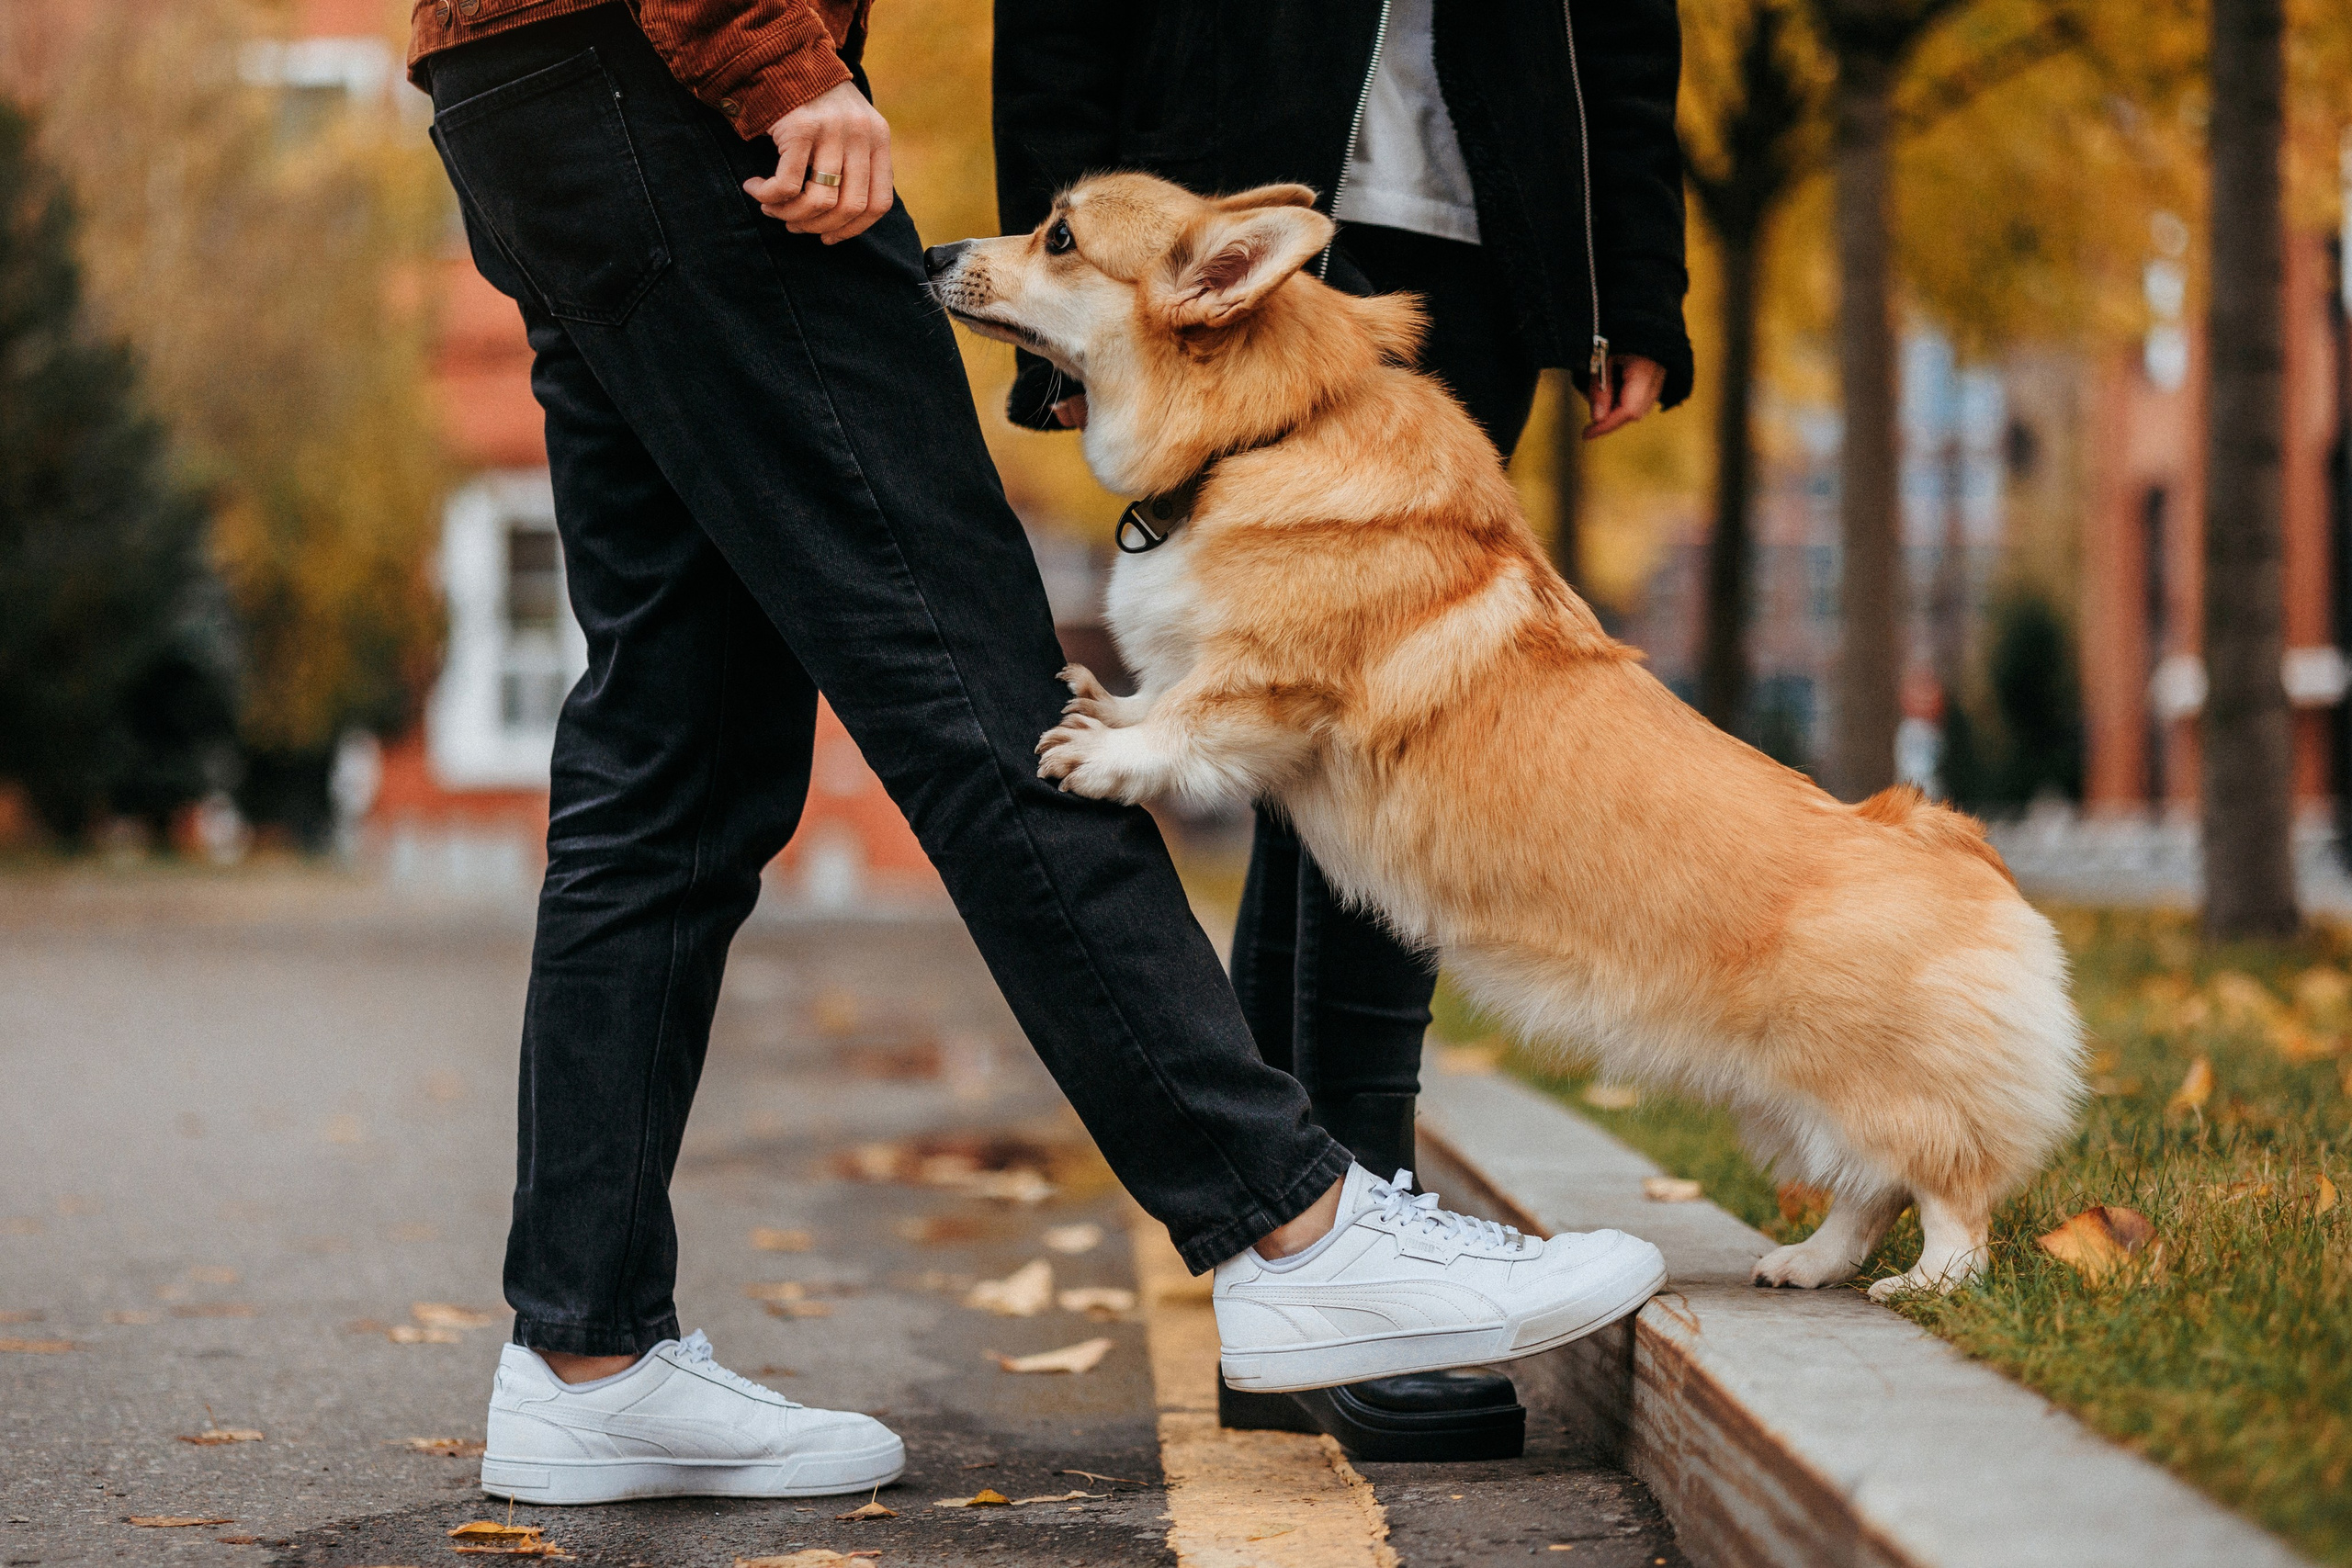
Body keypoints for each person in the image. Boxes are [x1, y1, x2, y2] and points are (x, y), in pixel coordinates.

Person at [406, 0, 1664, 1506]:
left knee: (674, 754)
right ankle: (1300, 1229)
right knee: (984, 687)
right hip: (686, 86)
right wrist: (777, 58)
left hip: (527, 86)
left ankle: (584, 1355)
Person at [994, 0, 1693, 1460]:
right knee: (1295, 720)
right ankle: (1321, 1251)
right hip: (1215, 217)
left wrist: (1632, 270)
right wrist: (1052, 294)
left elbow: (1621, 19)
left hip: (1477, 230)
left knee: (1375, 735)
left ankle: (1318, 1246)